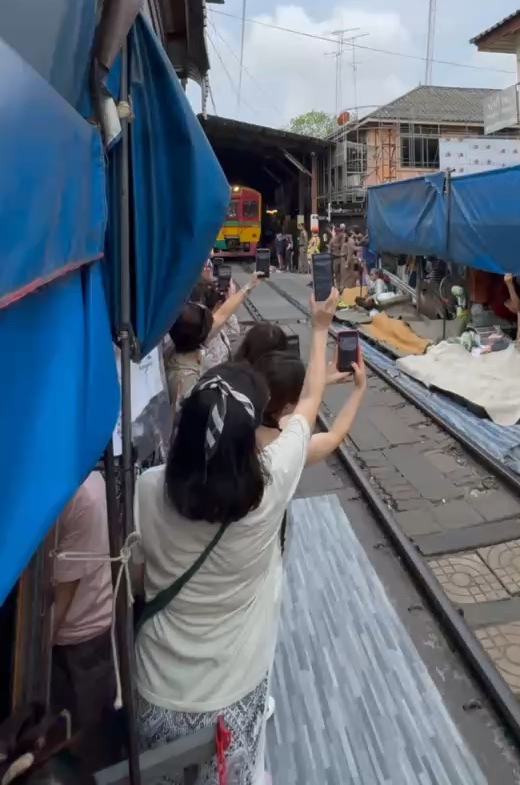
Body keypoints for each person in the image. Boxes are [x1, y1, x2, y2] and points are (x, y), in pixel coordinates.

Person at [133, 291, 338, 785]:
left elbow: (139, 578)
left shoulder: (147, 488)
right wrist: (319, 326)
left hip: (153, 689)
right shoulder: (270, 482)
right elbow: (309, 404)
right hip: (230, 700)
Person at [51, 470, 115, 766]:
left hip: (81, 641)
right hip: (66, 631)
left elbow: (56, 613)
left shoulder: (81, 497)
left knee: (83, 749)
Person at [166, 276, 258, 407]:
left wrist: (248, 286)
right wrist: (248, 286)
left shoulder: (175, 348)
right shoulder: (187, 380)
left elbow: (222, 316)